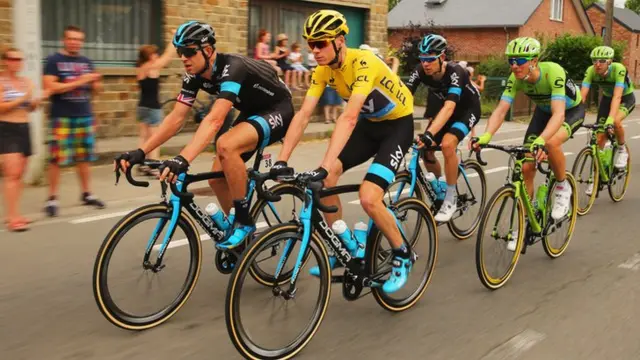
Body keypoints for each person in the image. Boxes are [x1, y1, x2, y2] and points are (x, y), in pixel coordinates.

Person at [270, 10, 416, 294]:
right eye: (311, 44)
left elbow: (348, 118)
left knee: (369, 198)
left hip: (397, 127)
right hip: (370, 125)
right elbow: (303, 115)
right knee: (327, 180)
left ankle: (402, 253)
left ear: (339, 41)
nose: (314, 51)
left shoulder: (364, 63)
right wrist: (281, 160)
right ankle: (344, 243)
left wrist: (324, 164)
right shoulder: (323, 70)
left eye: (321, 43)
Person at [115, 21, 293, 250]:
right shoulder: (193, 75)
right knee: (216, 178)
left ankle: (244, 222)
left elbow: (215, 119)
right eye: (180, 52)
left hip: (278, 108)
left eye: (188, 51)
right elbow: (176, 118)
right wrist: (141, 151)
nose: (183, 57)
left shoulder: (232, 67)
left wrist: (183, 159)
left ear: (207, 50)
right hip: (252, 111)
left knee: (226, 145)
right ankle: (240, 236)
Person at [472, 37, 583, 227]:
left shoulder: (553, 72)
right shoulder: (515, 79)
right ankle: (526, 219)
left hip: (570, 110)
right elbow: (500, 110)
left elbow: (558, 114)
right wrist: (486, 135)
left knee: (550, 143)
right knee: (525, 167)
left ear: (534, 60)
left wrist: (541, 139)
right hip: (543, 112)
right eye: (511, 61)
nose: (514, 66)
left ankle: (562, 186)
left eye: (520, 61)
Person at [404, 34, 481, 221]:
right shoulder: (420, 71)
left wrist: (430, 133)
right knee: (426, 151)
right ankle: (440, 187)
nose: (425, 64)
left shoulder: (456, 72)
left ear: (442, 57)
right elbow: (403, 98)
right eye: (422, 59)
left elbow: (450, 107)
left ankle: (450, 197)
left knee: (447, 145)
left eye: (430, 59)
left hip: (466, 109)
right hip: (445, 111)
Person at [43, 25, 105, 217]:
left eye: (78, 39)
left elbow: (96, 90)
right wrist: (82, 80)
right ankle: (52, 197)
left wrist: (96, 84)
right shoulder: (54, 61)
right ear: (64, 40)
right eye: (71, 39)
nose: (74, 42)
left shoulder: (86, 61)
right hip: (62, 116)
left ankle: (86, 193)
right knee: (56, 159)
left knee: (84, 157)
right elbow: (51, 87)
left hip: (84, 115)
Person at [0, 48, 47, 231]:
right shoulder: (2, 82)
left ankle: (15, 213)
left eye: (20, 59)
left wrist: (37, 102)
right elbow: (2, 108)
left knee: (20, 174)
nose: (16, 62)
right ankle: (12, 218)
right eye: (12, 59)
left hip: (24, 128)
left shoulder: (25, 82)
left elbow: (30, 108)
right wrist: (23, 99)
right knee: (12, 174)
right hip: (7, 129)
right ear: (5, 61)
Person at [580, 45, 635, 180]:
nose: (597, 64)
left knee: (615, 121)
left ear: (610, 62)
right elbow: (582, 96)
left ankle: (622, 149)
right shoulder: (591, 71)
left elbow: (617, 96)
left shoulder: (619, 69)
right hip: (607, 99)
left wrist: (610, 119)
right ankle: (597, 174)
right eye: (594, 61)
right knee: (599, 137)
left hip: (624, 98)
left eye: (602, 61)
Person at [135, 33, 176, 177]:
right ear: (150, 56)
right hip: (153, 107)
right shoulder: (152, 67)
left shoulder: (141, 67)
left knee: (144, 137)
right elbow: (168, 56)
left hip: (142, 106)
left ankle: (141, 163)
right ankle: (153, 165)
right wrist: (174, 40)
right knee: (155, 138)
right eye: (154, 54)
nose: (157, 55)